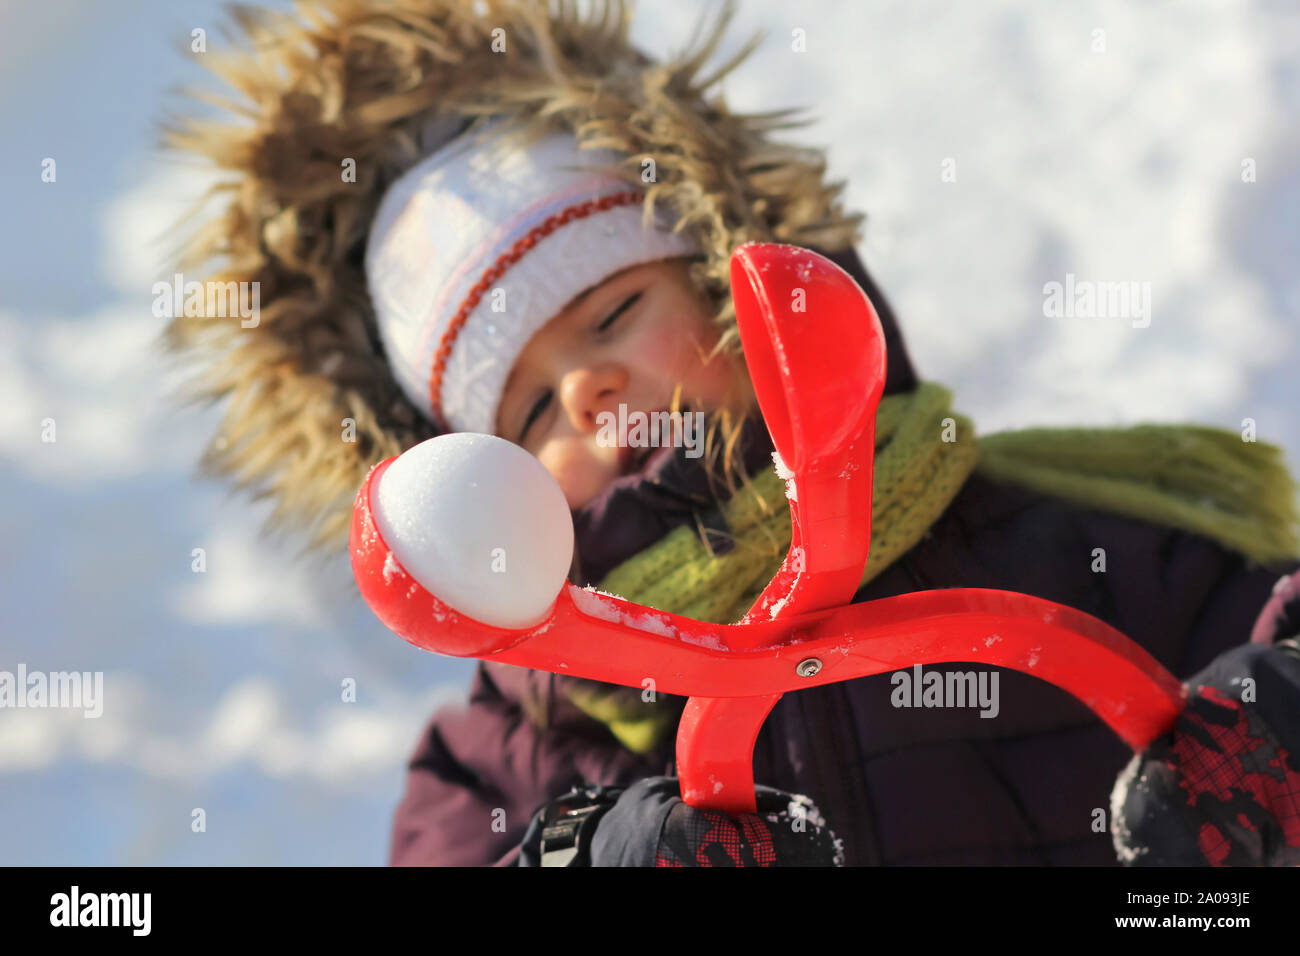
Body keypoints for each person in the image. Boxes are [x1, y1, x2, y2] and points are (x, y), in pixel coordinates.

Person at [159, 0, 1300, 866]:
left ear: (727, 284)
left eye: (612, 312)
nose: (593, 390)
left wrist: (1266, 735)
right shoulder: (520, 747)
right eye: (528, 411)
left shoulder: (1067, 548)